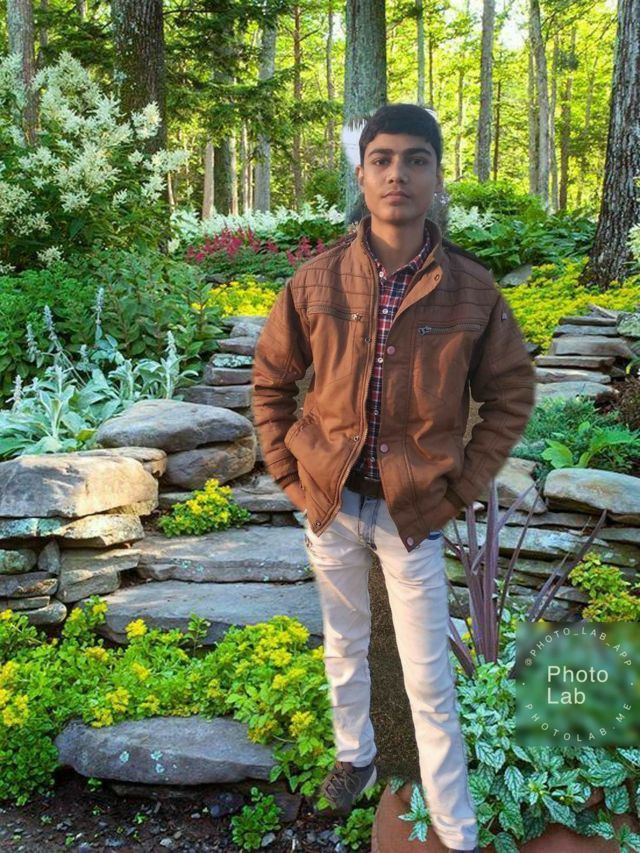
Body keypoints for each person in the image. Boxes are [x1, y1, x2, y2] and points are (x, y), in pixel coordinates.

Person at [251, 103, 536, 853]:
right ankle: (356, 756)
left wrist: (459, 489)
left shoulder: (471, 290)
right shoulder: (315, 281)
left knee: (428, 677)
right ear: (361, 175)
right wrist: (291, 475)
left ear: (437, 177)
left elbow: (510, 394)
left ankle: (455, 828)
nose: (397, 174)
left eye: (415, 159)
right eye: (382, 160)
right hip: (330, 501)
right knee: (343, 646)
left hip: (413, 511)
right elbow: (272, 381)